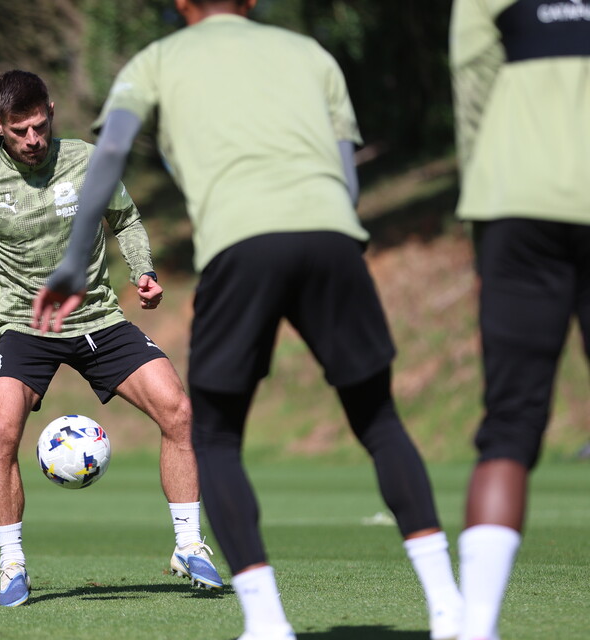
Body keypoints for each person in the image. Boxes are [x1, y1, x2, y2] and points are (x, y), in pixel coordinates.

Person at [32, 2, 462, 638]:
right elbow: (346, 172)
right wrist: (337, 245)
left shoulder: (153, 62)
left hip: (241, 247)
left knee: (216, 438)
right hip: (332, 239)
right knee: (379, 420)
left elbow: (111, 152)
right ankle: (451, 610)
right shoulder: (311, 54)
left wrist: (73, 262)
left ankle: (266, 623)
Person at [0, 69, 223, 608]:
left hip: (98, 319)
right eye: (19, 130)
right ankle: (12, 564)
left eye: (40, 126)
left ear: (51, 112)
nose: (33, 139)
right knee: (0, 432)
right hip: (27, 326)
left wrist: (143, 270)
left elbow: (126, 219)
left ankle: (188, 545)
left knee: (178, 411)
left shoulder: (87, 161)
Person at [450, 2, 590, 639]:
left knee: (510, 425)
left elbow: (473, 87)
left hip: (517, 199)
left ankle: (477, 628)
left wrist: (483, 200)